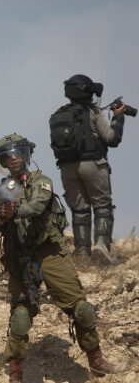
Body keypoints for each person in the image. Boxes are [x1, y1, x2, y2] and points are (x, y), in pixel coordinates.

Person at [0, 134, 126, 383]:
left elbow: (37, 206)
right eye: (9, 155)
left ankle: (97, 361)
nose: (15, 158)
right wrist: (2, 219)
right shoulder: (0, 192)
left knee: (82, 311)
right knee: (20, 317)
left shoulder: (41, 182)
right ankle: (16, 378)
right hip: (20, 259)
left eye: (19, 152)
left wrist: (16, 211)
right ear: (2, 161)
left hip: (49, 253)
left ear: (27, 156)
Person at [49, 75, 128, 264]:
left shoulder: (59, 115)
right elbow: (111, 139)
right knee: (102, 205)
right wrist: (118, 118)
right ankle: (101, 245)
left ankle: (82, 254)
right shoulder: (92, 112)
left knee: (79, 210)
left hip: (67, 168)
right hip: (92, 164)